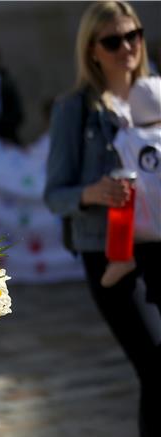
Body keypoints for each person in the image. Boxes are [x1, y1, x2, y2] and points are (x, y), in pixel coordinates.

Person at [44, 3, 161, 437]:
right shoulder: (75, 110)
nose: (128, 48)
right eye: (113, 41)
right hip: (110, 250)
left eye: (133, 35)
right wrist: (93, 191)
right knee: (156, 360)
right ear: (93, 49)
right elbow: (53, 194)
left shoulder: (156, 95)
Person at [102, 76, 161, 287]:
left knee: (121, 192)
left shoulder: (128, 137)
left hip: (139, 229)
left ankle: (121, 259)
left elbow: (115, 141)